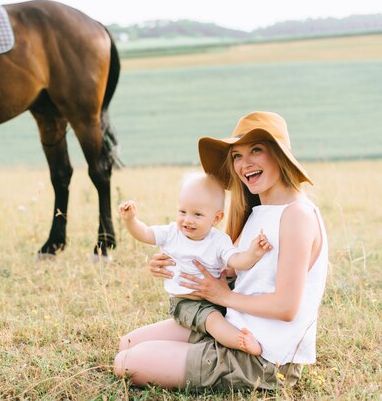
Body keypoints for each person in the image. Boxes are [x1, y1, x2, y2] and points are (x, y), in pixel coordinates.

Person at [114, 111, 328, 390]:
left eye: (256, 150)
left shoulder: (297, 214)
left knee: (126, 362)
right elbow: (240, 275)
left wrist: (222, 295)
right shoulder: (258, 213)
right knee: (126, 343)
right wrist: (178, 262)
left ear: (280, 155)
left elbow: (286, 307)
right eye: (237, 155)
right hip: (232, 327)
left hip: (264, 359)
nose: (244, 163)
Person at [118, 171, 272, 356]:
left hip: (216, 297)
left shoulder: (219, 240)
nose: (187, 220)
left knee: (216, 318)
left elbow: (236, 261)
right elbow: (145, 234)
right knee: (214, 321)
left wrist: (253, 253)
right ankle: (242, 343)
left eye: (197, 215)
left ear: (216, 218)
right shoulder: (171, 233)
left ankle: (218, 337)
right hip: (187, 304)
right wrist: (130, 220)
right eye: (182, 212)